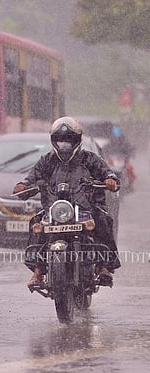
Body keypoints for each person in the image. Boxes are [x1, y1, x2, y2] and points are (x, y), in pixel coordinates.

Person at [13, 116, 120, 288]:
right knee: (36, 222)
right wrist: (23, 185)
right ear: (54, 140)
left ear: (77, 140)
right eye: (60, 140)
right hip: (54, 209)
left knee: (102, 219)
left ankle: (104, 267)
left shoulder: (89, 159)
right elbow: (31, 178)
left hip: (86, 208)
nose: (64, 145)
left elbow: (107, 172)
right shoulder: (47, 161)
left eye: (68, 140)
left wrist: (110, 179)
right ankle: (38, 272)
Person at [104, 125, 136, 190]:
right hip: (113, 162)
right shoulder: (110, 144)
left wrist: (130, 154)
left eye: (118, 138)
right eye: (115, 138)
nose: (117, 139)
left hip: (123, 161)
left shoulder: (125, 144)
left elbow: (129, 149)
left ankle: (130, 184)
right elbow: (105, 150)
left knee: (130, 169)